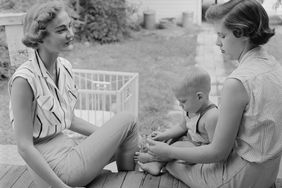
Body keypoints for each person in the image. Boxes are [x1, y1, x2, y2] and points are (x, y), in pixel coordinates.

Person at [140, 0, 282, 187]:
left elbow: (218, 153)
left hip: (240, 179)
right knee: (181, 146)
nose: (217, 42)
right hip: (268, 172)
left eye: (222, 35)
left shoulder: (237, 83)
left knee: (175, 161)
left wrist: (169, 153)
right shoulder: (274, 66)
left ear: (242, 34)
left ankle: (160, 161)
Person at [8, 1, 139, 188]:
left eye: (70, 26)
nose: (71, 34)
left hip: (69, 151)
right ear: (40, 36)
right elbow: (24, 147)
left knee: (129, 140)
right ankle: (131, 180)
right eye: (61, 30)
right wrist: (61, 187)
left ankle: (130, 182)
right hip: (56, 167)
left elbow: (71, 120)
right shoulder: (24, 80)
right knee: (128, 119)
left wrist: (110, 137)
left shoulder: (64, 67)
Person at [135, 66, 218, 175]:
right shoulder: (193, 107)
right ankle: (156, 162)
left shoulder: (212, 116)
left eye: (183, 101)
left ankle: (152, 159)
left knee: (177, 146)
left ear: (199, 97)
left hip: (198, 149)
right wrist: (164, 135)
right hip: (188, 140)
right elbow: (182, 127)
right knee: (169, 139)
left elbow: (213, 147)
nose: (180, 105)